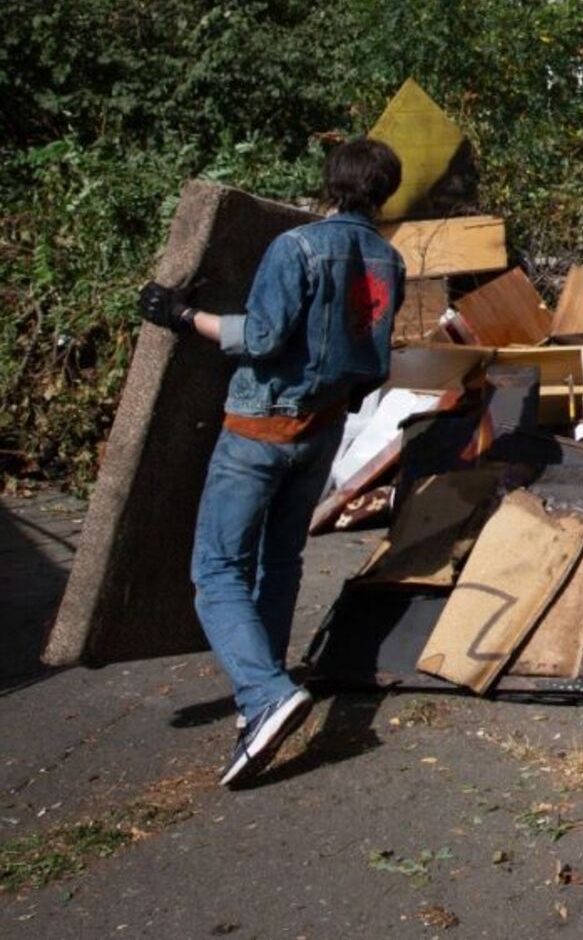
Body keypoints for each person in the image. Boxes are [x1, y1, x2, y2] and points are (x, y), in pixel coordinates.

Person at [138, 139, 407, 786]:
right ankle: (264, 691)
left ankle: (264, 697)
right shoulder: (388, 259)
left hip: (260, 429)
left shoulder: (297, 248)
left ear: (330, 185)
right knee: (279, 560)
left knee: (217, 570)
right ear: (386, 193)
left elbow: (259, 337)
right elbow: (372, 358)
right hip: (321, 433)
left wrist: (180, 314)